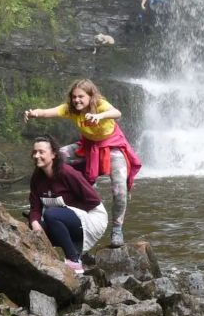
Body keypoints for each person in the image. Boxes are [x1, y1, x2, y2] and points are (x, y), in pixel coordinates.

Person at [24, 78, 141, 248]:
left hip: (112, 147)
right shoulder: (70, 109)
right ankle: (47, 205)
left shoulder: (100, 104)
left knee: (119, 188)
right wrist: (34, 113)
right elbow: (50, 112)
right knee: (54, 157)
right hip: (88, 146)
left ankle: (117, 229)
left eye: (81, 96)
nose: (77, 100)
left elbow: (117, 113)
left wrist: (99, 115)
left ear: (90, 96)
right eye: (74, 97)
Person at [27, 135, 107, 273]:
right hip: (63, 220)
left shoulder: (67, 172)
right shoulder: (36, 178)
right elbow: (35, 207)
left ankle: (74, 261)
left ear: (53, 154)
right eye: (34, 152)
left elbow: (93, 200)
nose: (36, 155)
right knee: (36, 225)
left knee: (51, 214)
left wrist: (69, 211)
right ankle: (48, 263)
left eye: (41, 152)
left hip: (92, 218)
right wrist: (35, 222)